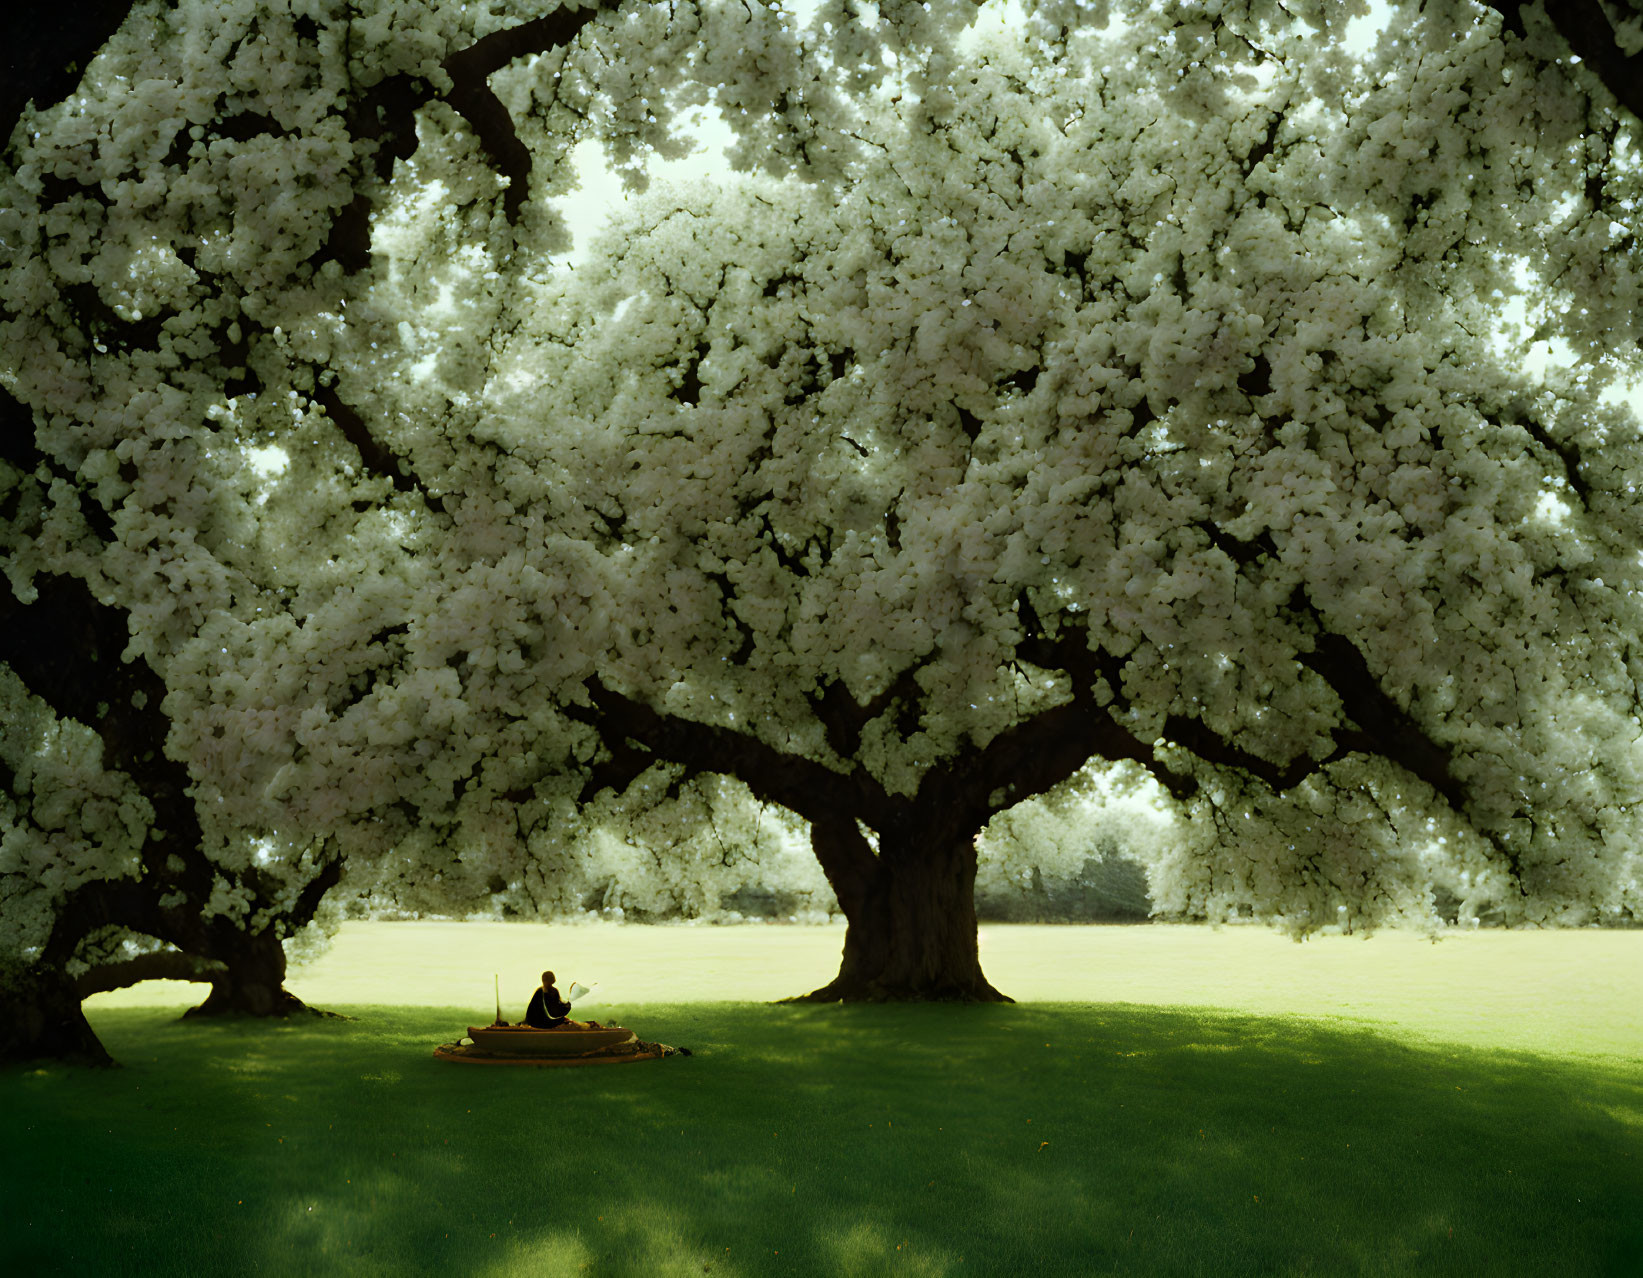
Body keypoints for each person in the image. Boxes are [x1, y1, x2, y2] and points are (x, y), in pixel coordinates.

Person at [523, 971, 605, 1030]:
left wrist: (567, 1006)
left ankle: (590, 1025)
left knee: (565, 1020)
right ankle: (590, 1026)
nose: (546, 982)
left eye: (548, 980)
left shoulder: (553, 991)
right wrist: (565, 1008)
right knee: (565, 1021)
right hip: (538, 1023)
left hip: (544, 1022)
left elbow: (557, 1008)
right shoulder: (540, 992)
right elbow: (552, 1012)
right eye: (545, 980)